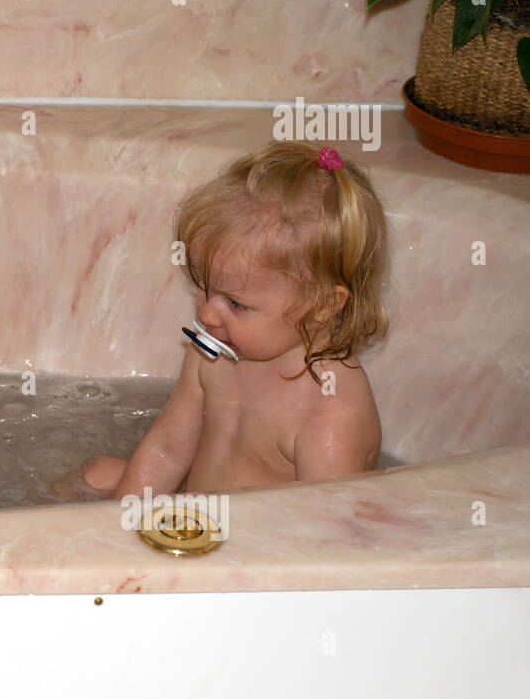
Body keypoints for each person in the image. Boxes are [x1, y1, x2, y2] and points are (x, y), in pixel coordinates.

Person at [80, 141, 389, 498]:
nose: (207, 313)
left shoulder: (330, 407)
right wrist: (120, 526)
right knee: (99, 473)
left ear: (323, 305)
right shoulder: (212, 351)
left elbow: (322, 528)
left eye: (236, 303)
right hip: (200, 518)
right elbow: (167, 450)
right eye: (203, 286)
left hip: (263, 542)